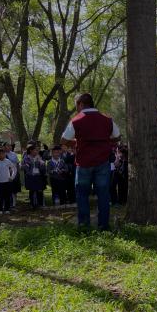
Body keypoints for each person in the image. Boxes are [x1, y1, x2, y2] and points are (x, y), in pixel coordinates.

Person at [61, 93, 120, 231]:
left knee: (82, 195)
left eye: (76, 104)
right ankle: (103, 226)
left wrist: (77, 142)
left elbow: (63, 140)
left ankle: (84, 225)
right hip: (102, 162)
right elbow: (117, 136)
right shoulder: (107, 119)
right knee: (103, 195)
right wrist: (105, 142)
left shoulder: (76, 120)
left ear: (81, 104)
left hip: (84, 163)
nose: (76, 108)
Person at [0, 147, 17, 214]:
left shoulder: (7, 161)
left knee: (7, 196)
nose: (3, 155)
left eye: (3, 153)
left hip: (7, 181)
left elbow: (14, 169)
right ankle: (0, 209)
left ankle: (7, 209)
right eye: (1, 154)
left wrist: (12, 177)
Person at [22, 144, 47, 209]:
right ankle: (32, 204)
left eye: (37, 150)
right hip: (30, 177)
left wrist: (40, 162)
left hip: (38, 176)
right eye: (35, 150)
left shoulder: (39, 157)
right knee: (32, 191)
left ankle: (40, 204)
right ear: (31, 150)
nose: (37, 151)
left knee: (39, 190)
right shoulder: (26, 158)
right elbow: (25, 167)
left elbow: (43, 166)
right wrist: (29, 167)